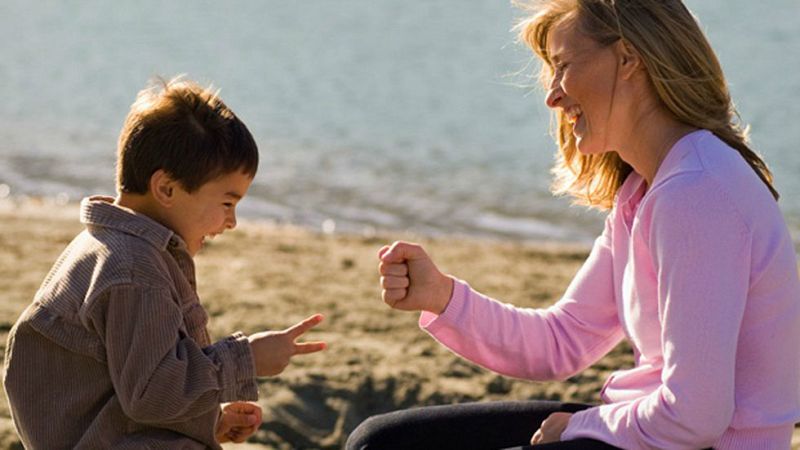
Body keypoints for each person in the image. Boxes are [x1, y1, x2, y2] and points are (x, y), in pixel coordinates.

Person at [347, 0, 800, 449]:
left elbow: (694, 416)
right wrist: (442, 296)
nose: (553, 94)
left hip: (697, 444)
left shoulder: (696, 192)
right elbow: (562, 339)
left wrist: (581, 427)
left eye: (563, 65)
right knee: (381, 440)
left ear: (628, 59)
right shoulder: (645, 190)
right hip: (659, 433)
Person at [2, 76, 327, 449]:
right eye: (227, 203)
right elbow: (152, 392)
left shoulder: (106, 245)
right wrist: (247, 358)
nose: (232, 222)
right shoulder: (134, 271)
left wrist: (208, 422)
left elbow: (126, 384)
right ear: (167, 189)